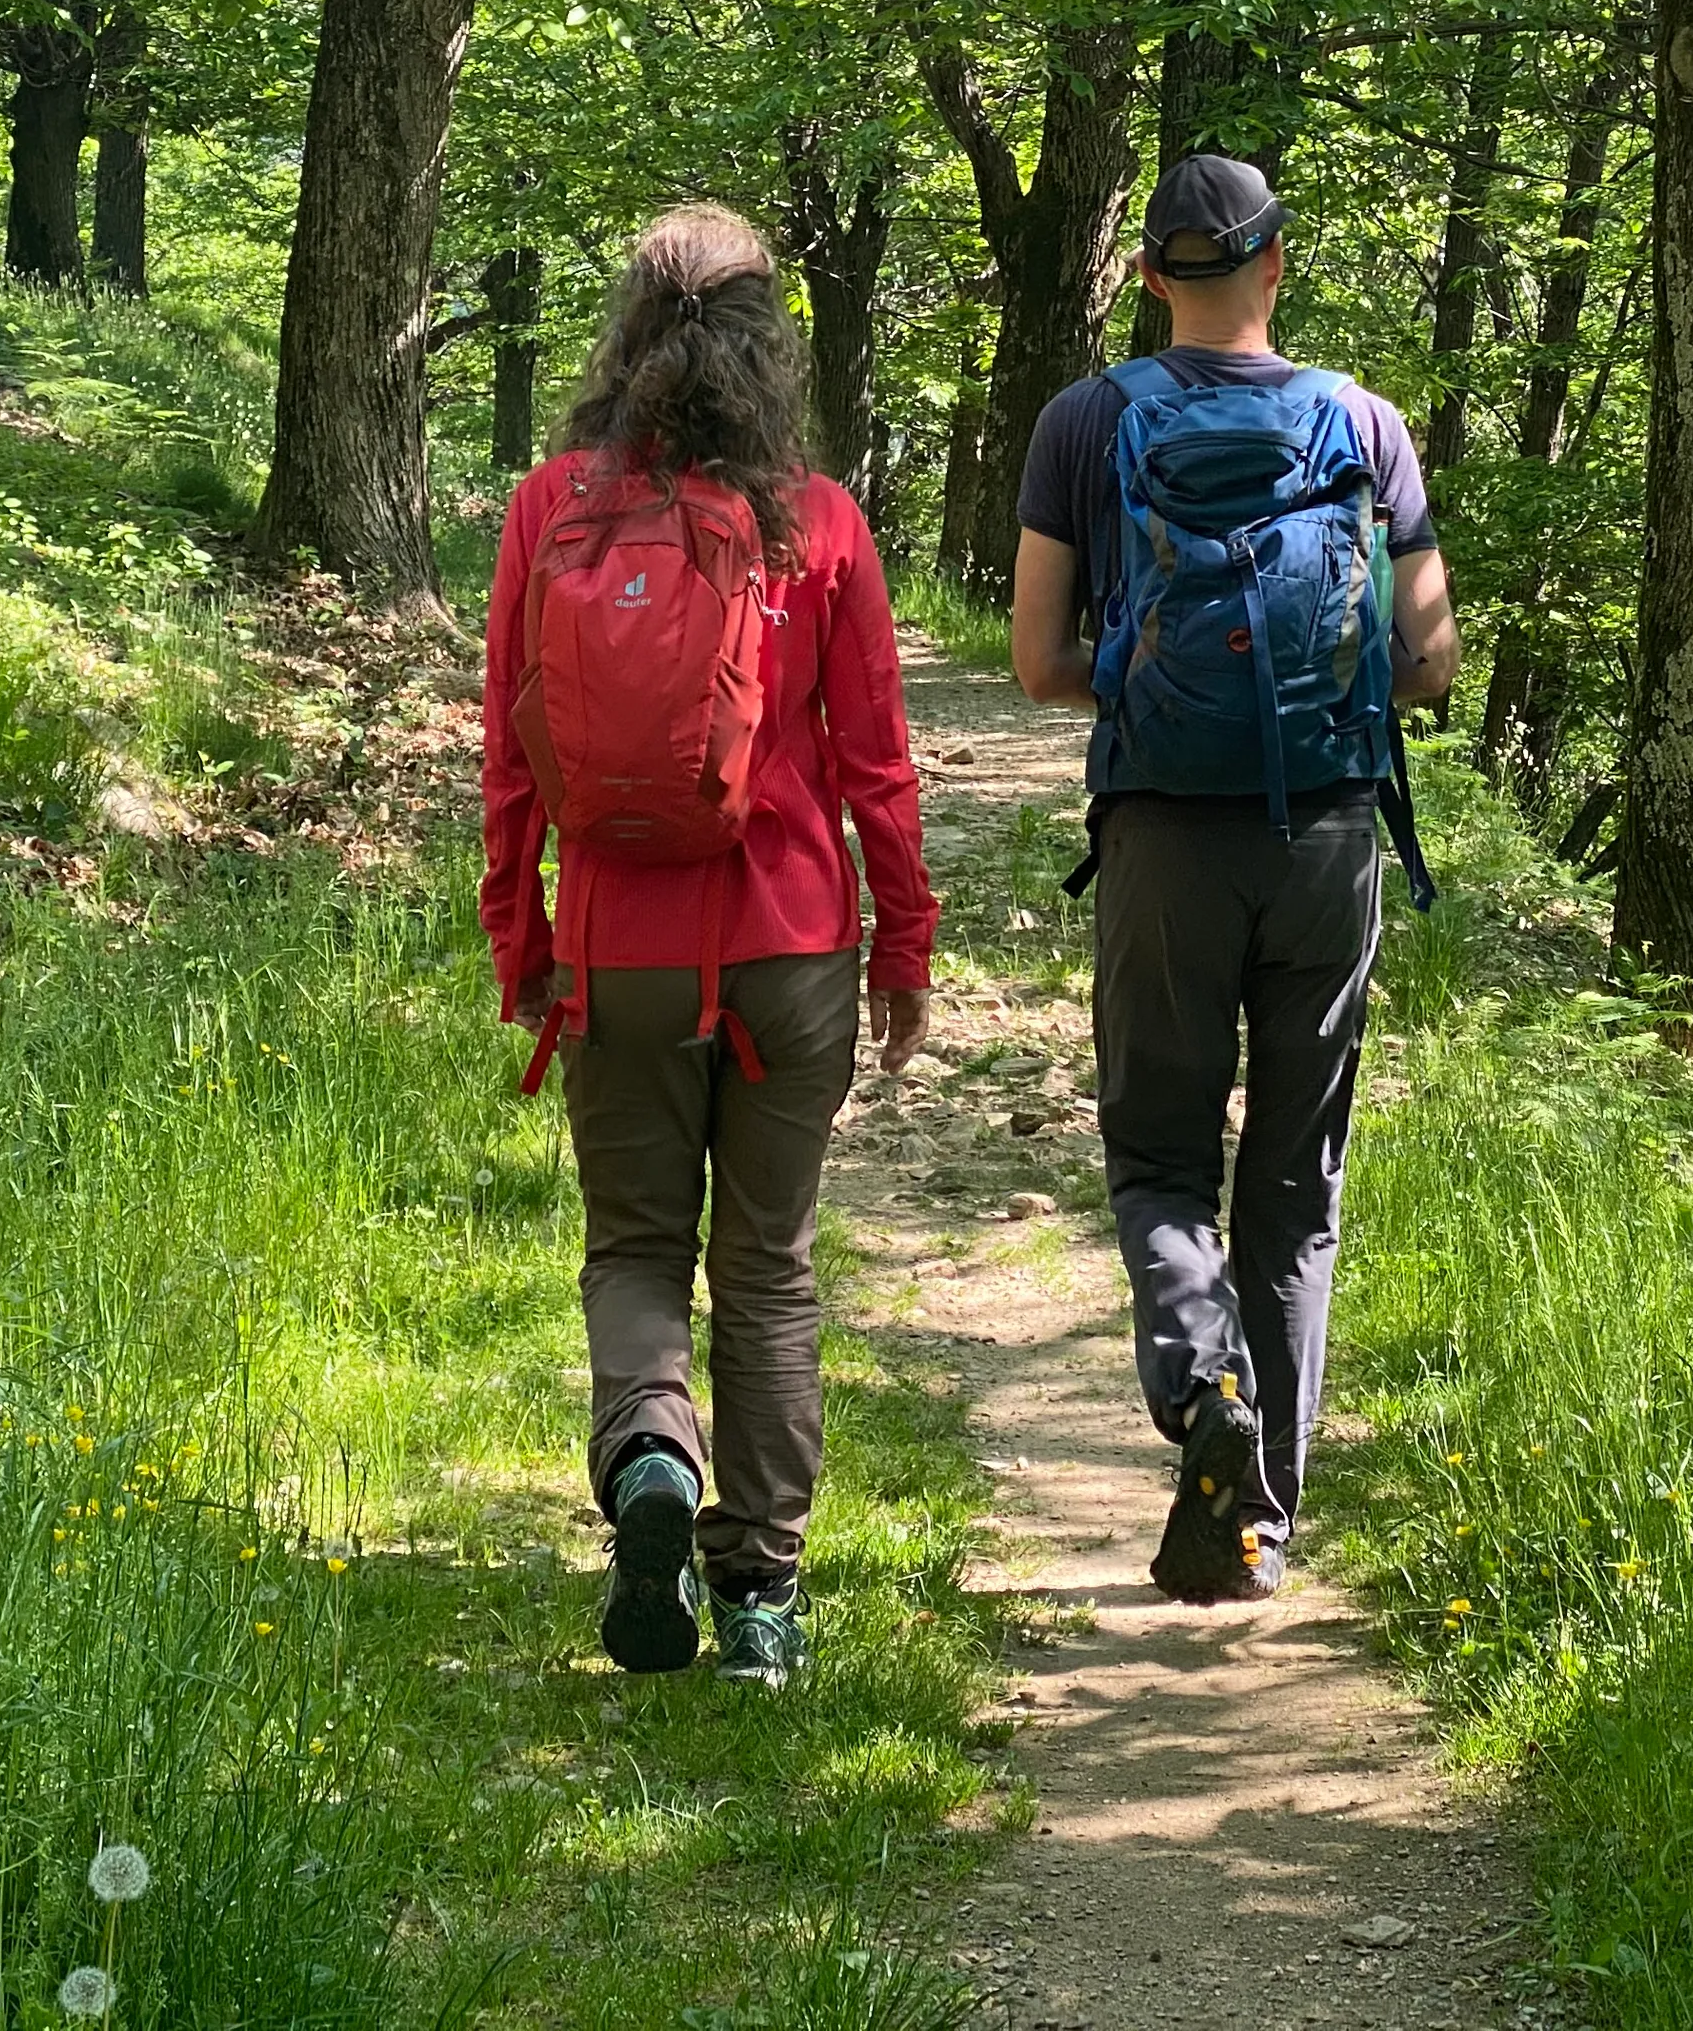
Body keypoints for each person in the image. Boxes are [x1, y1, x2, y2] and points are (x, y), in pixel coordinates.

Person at [481, 205, 936, 1687]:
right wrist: (903, 950)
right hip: (792, 946)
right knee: (771, 1271)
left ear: (625, 326)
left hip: (620, 955)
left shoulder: (552, 507)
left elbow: (505, 758)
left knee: (632, 1246)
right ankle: (758, 1602)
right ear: (768, 342)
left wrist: (523, 938)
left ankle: (654, 1461)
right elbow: (877, 764)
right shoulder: (820, 520)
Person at [1007, 153, 1459, 1601]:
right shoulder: (1365, 423)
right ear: (1279, 263)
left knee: (1157, 1157)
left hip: (1158, 840)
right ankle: (1260, 1527)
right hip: (1327, 842)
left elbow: (1032, 662)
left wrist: (1151, 701)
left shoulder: (1087, 421)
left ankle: (1204, 1389)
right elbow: (1431, 657)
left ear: (1151, 279)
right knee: (1294, 1185)